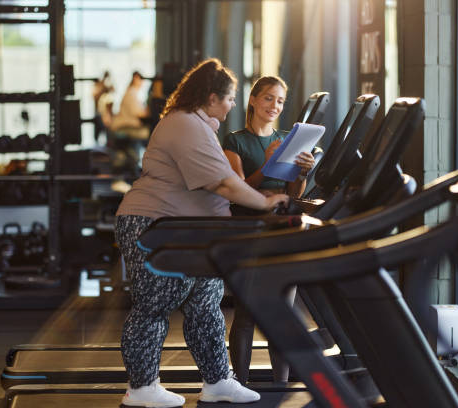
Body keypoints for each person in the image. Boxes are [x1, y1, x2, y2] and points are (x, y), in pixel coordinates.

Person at [115, 59, 289, 408]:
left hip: (188, 230)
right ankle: (141, 387)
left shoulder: (197, 125)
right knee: (154, 305)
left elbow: (226, 182)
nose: (233, 104)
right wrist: (265, 204)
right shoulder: (184, 125)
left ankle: (218, 380)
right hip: (154, 225)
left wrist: (262, 198)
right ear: (212, 97)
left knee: (205, 304)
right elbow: (225, 183)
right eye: (230, 98)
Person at [222, 75, 316, 385]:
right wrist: (268, 163)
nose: (274, 105)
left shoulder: (289, 137)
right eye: (268, 98)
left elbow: (293, 191)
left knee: (282, 314)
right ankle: (241, 383)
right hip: (249, 228)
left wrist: (303, 171)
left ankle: (282, 385)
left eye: (279, 101)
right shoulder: (234, 141)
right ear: (252, 100)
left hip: (282, 228)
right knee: (248, 312)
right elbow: (239, 188)